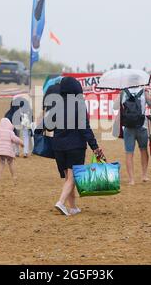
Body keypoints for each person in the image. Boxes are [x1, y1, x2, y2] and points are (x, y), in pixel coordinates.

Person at [43, 77, 104, 216]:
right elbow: (85, 129)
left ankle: (73, 207)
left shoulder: (56, 104)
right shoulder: (79, 104)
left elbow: (48, 124)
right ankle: (61, 202)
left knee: (68, 178)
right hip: (75, 147)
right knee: (72, 178)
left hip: (58, 147)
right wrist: (95, 147)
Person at [114, 86, 151, 185]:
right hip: (142, 126)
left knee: (129, 153)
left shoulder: (123, 92)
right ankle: (144, 175)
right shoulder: (144, 92)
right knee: (143, 149)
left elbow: (115, 107)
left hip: (128, 127)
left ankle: (131, 179)